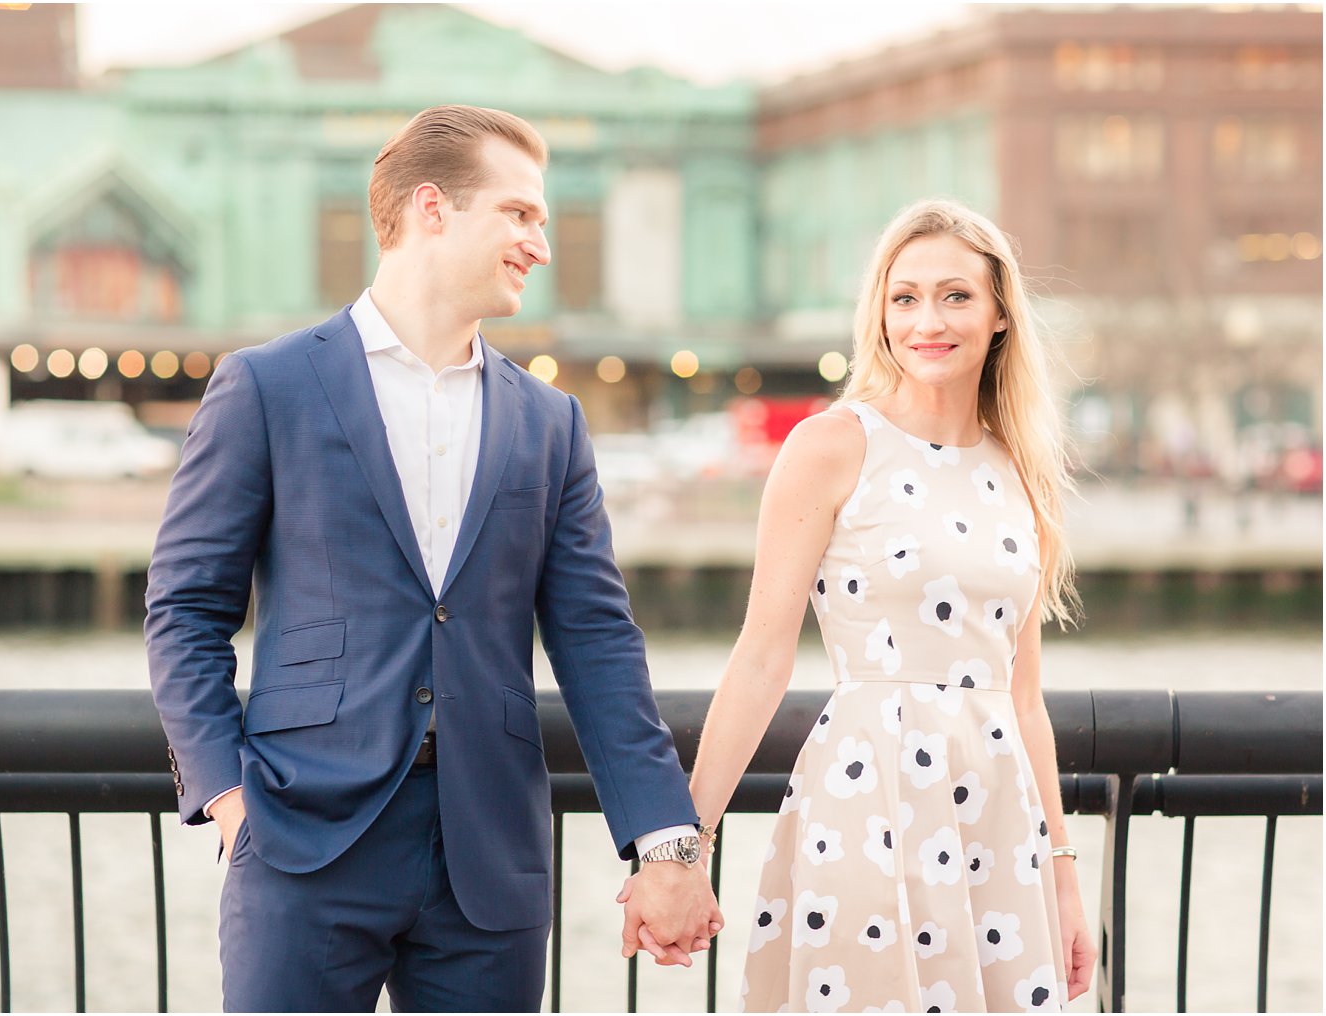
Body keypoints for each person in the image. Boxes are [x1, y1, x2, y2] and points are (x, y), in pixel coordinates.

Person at [144, 105, 721, 1013]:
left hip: (488, 857)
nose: (541, 241)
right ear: (431, 209)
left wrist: (667, 845)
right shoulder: (268, 385)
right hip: (303, 840)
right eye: (520, 214)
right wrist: (225, 795)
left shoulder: (548, 420)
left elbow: (598, 642)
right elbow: (185, 607)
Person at [684, 199, 1095, 1011]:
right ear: (878, 312)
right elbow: (762, 656)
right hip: (868, 804)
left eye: (955, 295)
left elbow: (1024, 697)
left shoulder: (1023, 469)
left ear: (1000, 314)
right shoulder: (832, 445)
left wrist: (1063, 873)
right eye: (903, 297)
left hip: (996, 823)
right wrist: (685, 851)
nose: (926, 321)